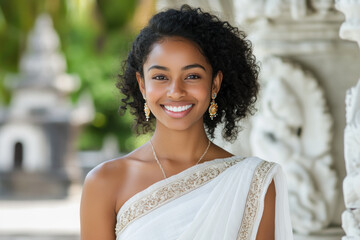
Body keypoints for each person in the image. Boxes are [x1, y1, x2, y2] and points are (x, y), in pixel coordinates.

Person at [80, 5, 293, 240]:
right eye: (160, 77)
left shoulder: (253, 181)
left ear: (215, 83)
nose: (176, 91)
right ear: (142, 84)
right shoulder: (105, 182)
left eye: (192, 76)